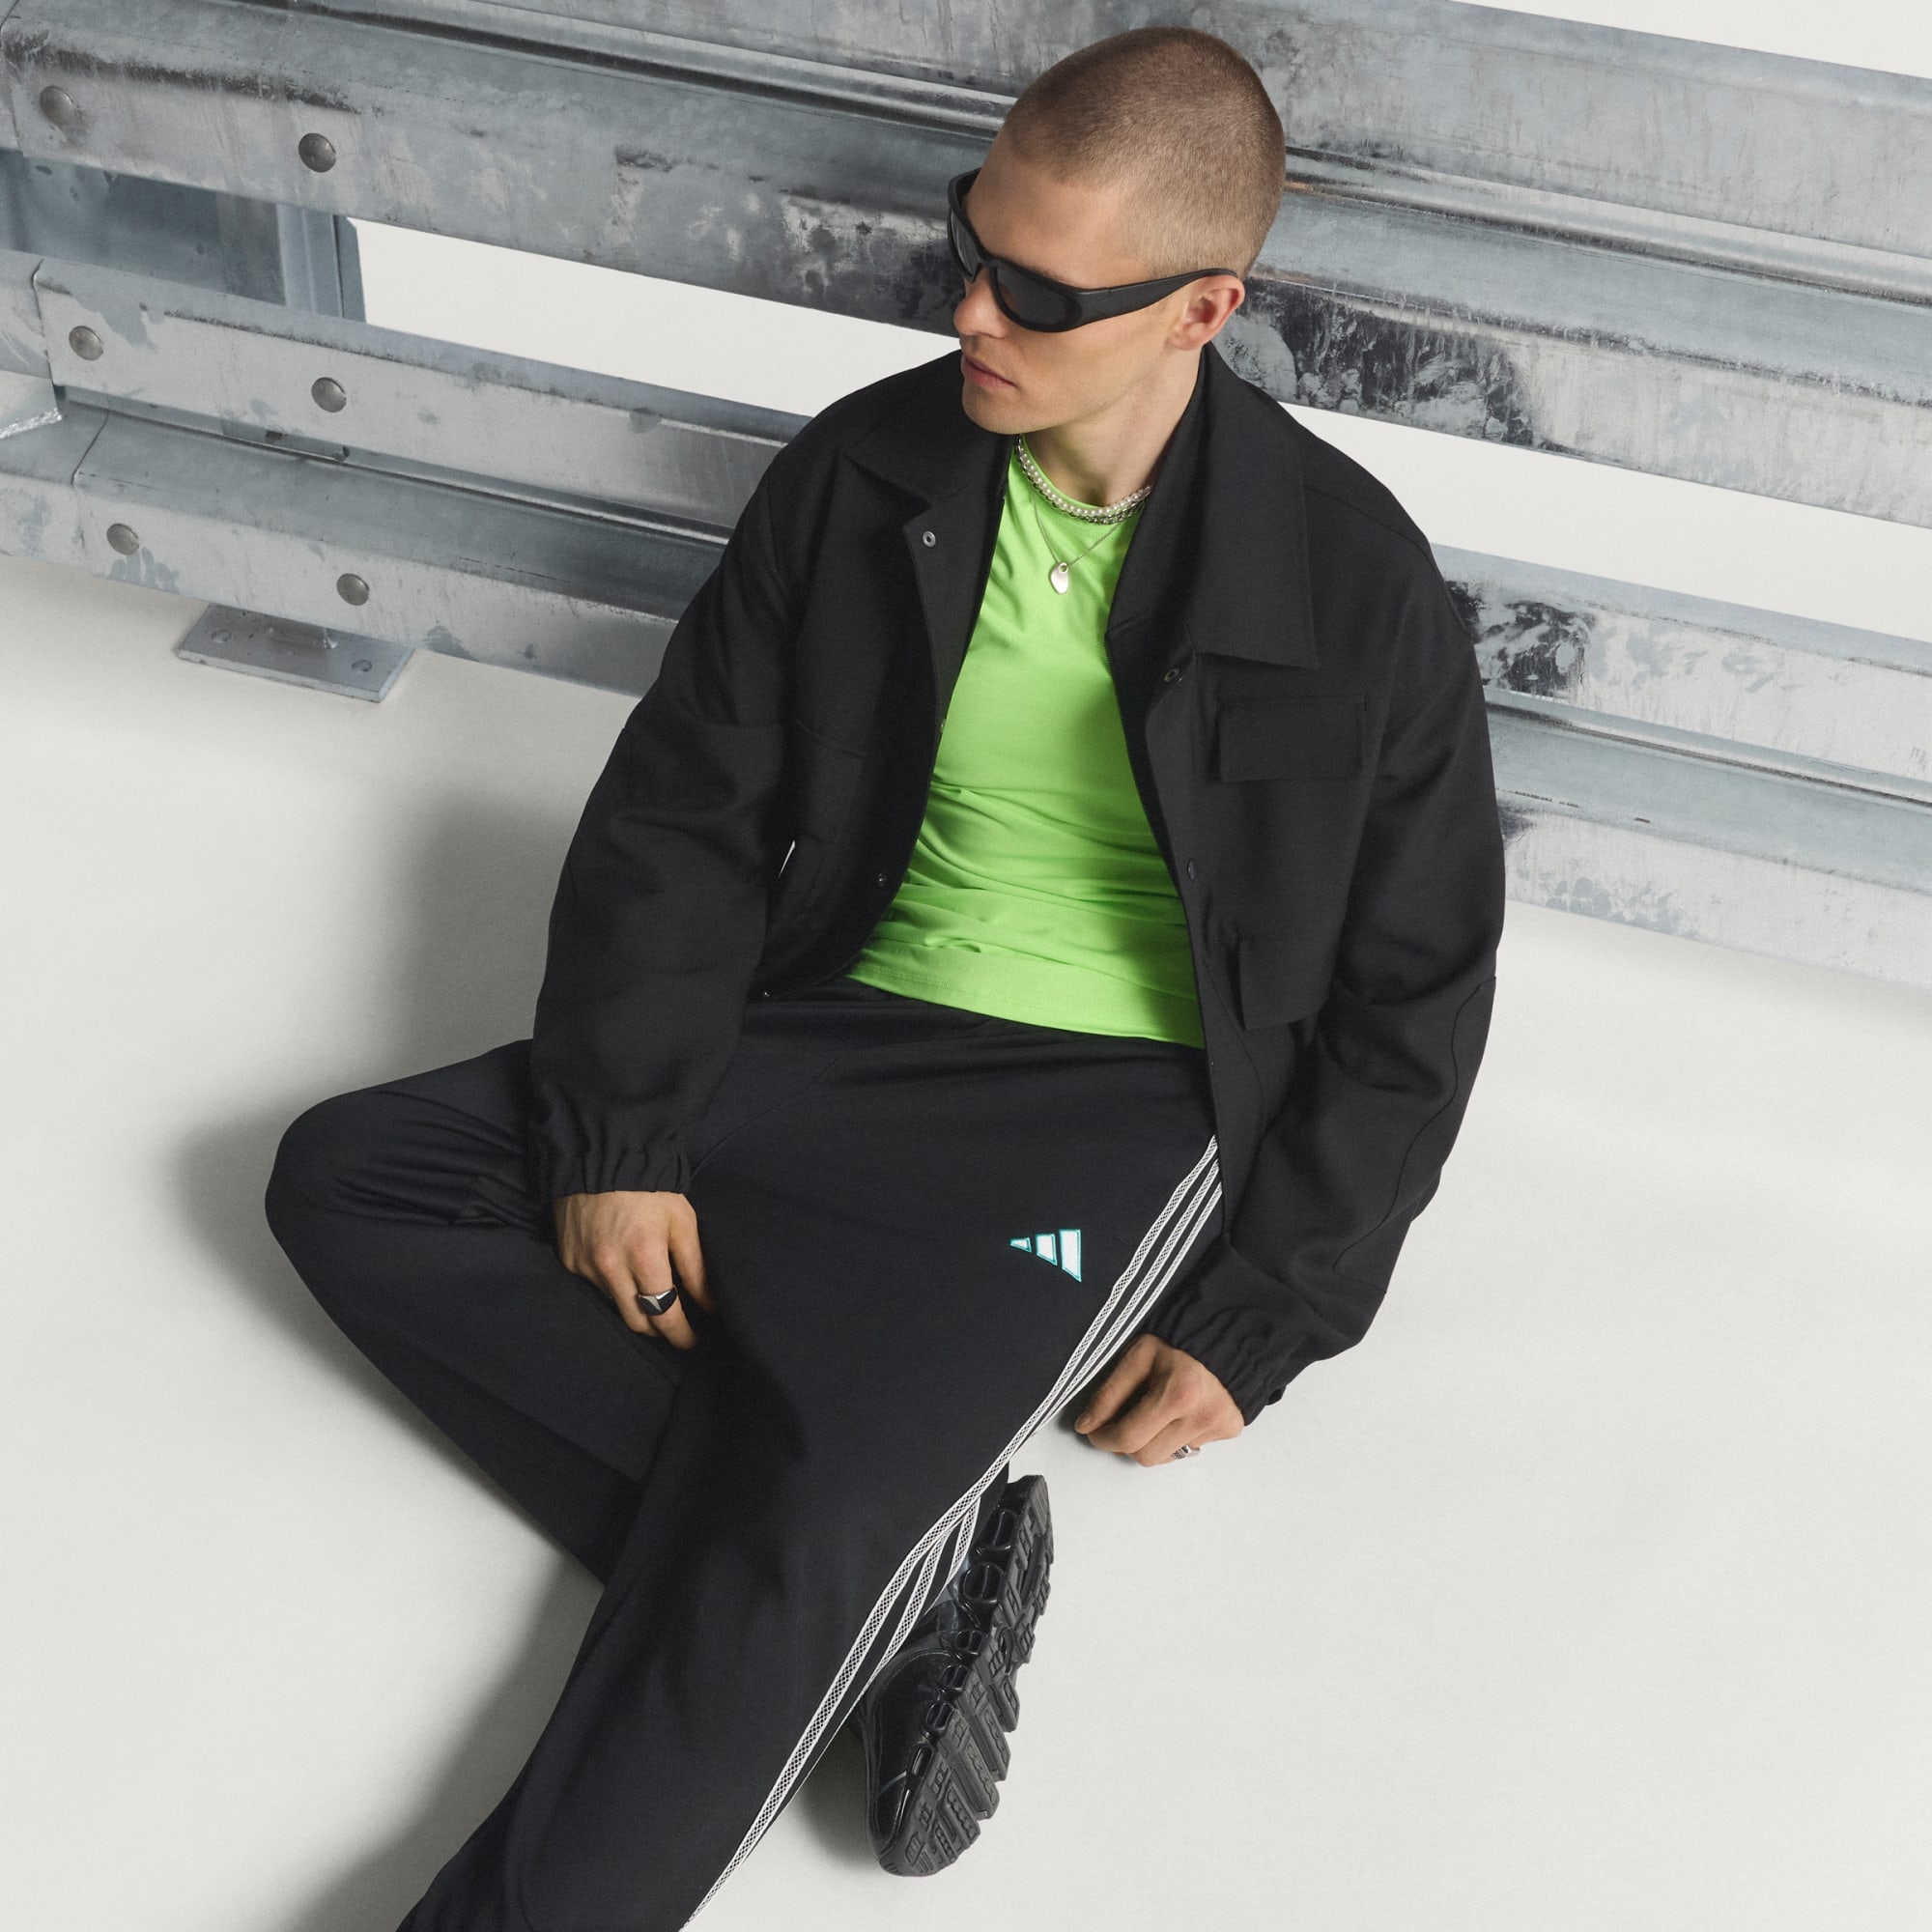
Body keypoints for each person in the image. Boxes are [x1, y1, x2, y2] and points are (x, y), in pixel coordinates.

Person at [264, 23, 1505, 1930]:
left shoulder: (1352, 584)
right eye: (970, 245)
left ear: (1204, 307)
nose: (973, 310)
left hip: (1105, 1121)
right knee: (356, 1174)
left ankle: (836, 1573)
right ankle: (898, 1592)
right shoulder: (866, 474)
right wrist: (627, 1132)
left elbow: (1417, 972)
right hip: (829, 1029)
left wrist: (1276, 1301)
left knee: (810, 1520)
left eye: (1041, 291)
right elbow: (683, 810)